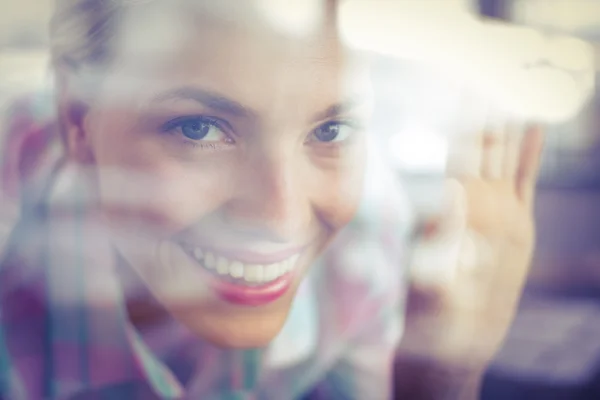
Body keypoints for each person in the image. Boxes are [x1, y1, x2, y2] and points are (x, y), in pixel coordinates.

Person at [0, 1, 544, 399]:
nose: (281, 217)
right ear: (76, 118)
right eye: (198, 129)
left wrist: (439, 376)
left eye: (330, 131)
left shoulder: (367, 232)